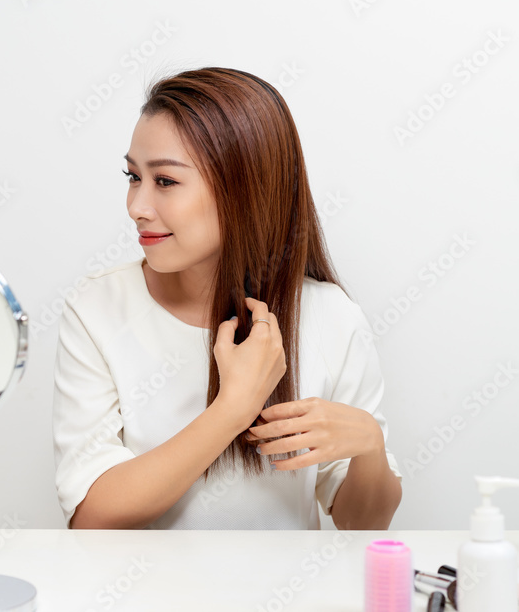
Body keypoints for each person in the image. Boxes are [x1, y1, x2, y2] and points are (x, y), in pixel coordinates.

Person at [52, 66, 402, 530]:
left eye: (166, 182)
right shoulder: (98, 308)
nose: (137, 207)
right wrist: (231, 409)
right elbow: (92, 515)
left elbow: (363, 524)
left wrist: (370, 447)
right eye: (133, 176)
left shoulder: (330, 316)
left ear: (244, 189)